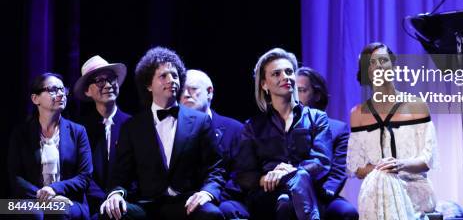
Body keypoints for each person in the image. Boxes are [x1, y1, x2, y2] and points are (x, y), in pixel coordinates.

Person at [100, 46, 225, 219]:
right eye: (163, 76)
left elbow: (215, 169)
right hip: (147, 205)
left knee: (212, 215)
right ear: (148, 85)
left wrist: (207, 193)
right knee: (111, 214)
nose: (171, 80)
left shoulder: (200, 121)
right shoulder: (132, 126)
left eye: (175, 75)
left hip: (187, 202)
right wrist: (115, 194)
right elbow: (121, 175)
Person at [235, 48, 332, 220]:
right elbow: (244, 175)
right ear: (264, 84)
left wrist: (289, 172)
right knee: (286, 197)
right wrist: (267, 178)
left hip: (308, 190)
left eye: (289, 72)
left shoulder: (317, 118)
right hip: (267, 193)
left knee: (288, 198)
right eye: (276, 74)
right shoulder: (252, 126)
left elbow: (321, 162)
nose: (285, 77)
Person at [347, 42, 437, 219]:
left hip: (413, 189)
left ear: (393, 65)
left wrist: (398, 165)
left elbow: (427, 159)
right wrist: (382, 169)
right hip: (377, 193)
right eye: (372, 63)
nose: (379, 65)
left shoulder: (417, 105)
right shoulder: (357, 114)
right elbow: (357, 169)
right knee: (383, 181)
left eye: (383, 60)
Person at [8, 73, 93, 219]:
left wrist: (54, 189)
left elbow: (85, 176)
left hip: (69, 200)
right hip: (28, 199)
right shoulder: (21, 133)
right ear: (35, 99)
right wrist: (44, 197)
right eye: (53, 89)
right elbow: (15, 177)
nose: (61, 94)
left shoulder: (78, 131)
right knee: (27, 211)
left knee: (58, 210)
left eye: (62, 89)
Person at [180, 69, 248, 219]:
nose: (185, 94)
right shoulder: (174, 131)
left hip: (227, 200)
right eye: (181, 90)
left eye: (192, 89)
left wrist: (211, 195)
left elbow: (242, 176)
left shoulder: (235, 129)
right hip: (188, 202)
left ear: (209, 92)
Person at [296, 67, 358, 220]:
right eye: (293, 91)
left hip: (322, 194)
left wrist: (324, 193)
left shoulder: (338, 128)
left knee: (347, 213)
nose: (296, 97)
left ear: (317, 95)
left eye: (302, 90)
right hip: (292, 190)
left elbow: (338, 171)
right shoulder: (283, 125)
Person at [74, 56, 132, 219]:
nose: (107, 85)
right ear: (87, 91)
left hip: (125, 203)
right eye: (99, 81)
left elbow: (137, 170)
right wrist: (104, 199)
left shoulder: (133, 124)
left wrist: (116, 196)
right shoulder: (80, 128)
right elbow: (82, 172)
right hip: (92, 206)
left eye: (111, 78)